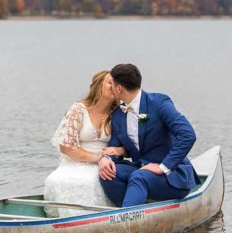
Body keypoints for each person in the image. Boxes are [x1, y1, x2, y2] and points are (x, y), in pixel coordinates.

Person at [98, 63, 199, 208]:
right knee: (108, 173)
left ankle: (127, 218)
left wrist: (163, 167)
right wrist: (105, 159)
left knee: (139, 177)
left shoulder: (159, 103)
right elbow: (113, 148)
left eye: (112, 84)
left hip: (172, 176)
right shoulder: (118, 114)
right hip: (140, 169)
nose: (111, 87)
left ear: (119, 88)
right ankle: (131, 211)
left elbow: (188, 134)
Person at [43, 70, 123, 216]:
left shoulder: (118, 112)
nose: (114, 86)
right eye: (110, 82)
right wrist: (98, 158)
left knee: (93, 181)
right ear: (99, 85)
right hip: (75, 162)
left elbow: (129, 144)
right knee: (56, 179)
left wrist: (117, 153)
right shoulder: (79, 109)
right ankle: (66, 220)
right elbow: (66, 147)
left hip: (105, 162)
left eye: (117, 84)